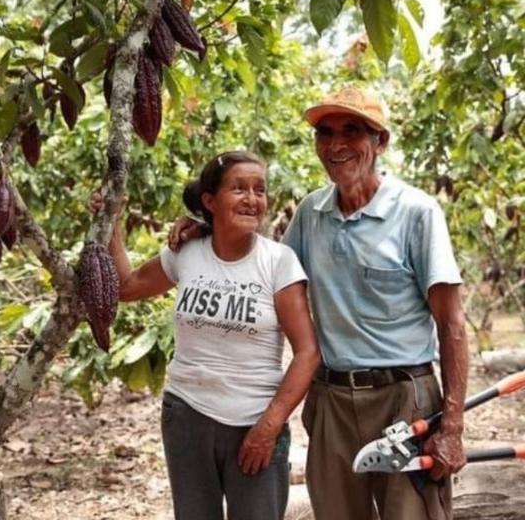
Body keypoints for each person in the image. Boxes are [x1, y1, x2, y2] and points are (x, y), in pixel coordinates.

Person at [170, 87, 469, 520]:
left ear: (380, 141)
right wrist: (207, 225)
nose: (336, 144)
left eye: (353, 131)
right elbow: (265, 267)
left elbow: (452, 325)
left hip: (405, 397)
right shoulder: (312, 213)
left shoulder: (416, 213)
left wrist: (452, 428)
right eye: (325, 133)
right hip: (330, 400)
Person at [96, 151, 320, 520]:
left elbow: (308, 352)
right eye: (239, 189)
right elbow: (126, 286)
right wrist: (112, 222)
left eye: (260, 190)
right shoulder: (188, 252)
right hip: (188, 415)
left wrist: (269, 427)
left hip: (255, 419)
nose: (252, 199)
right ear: (209, 201)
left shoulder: (278, 262)